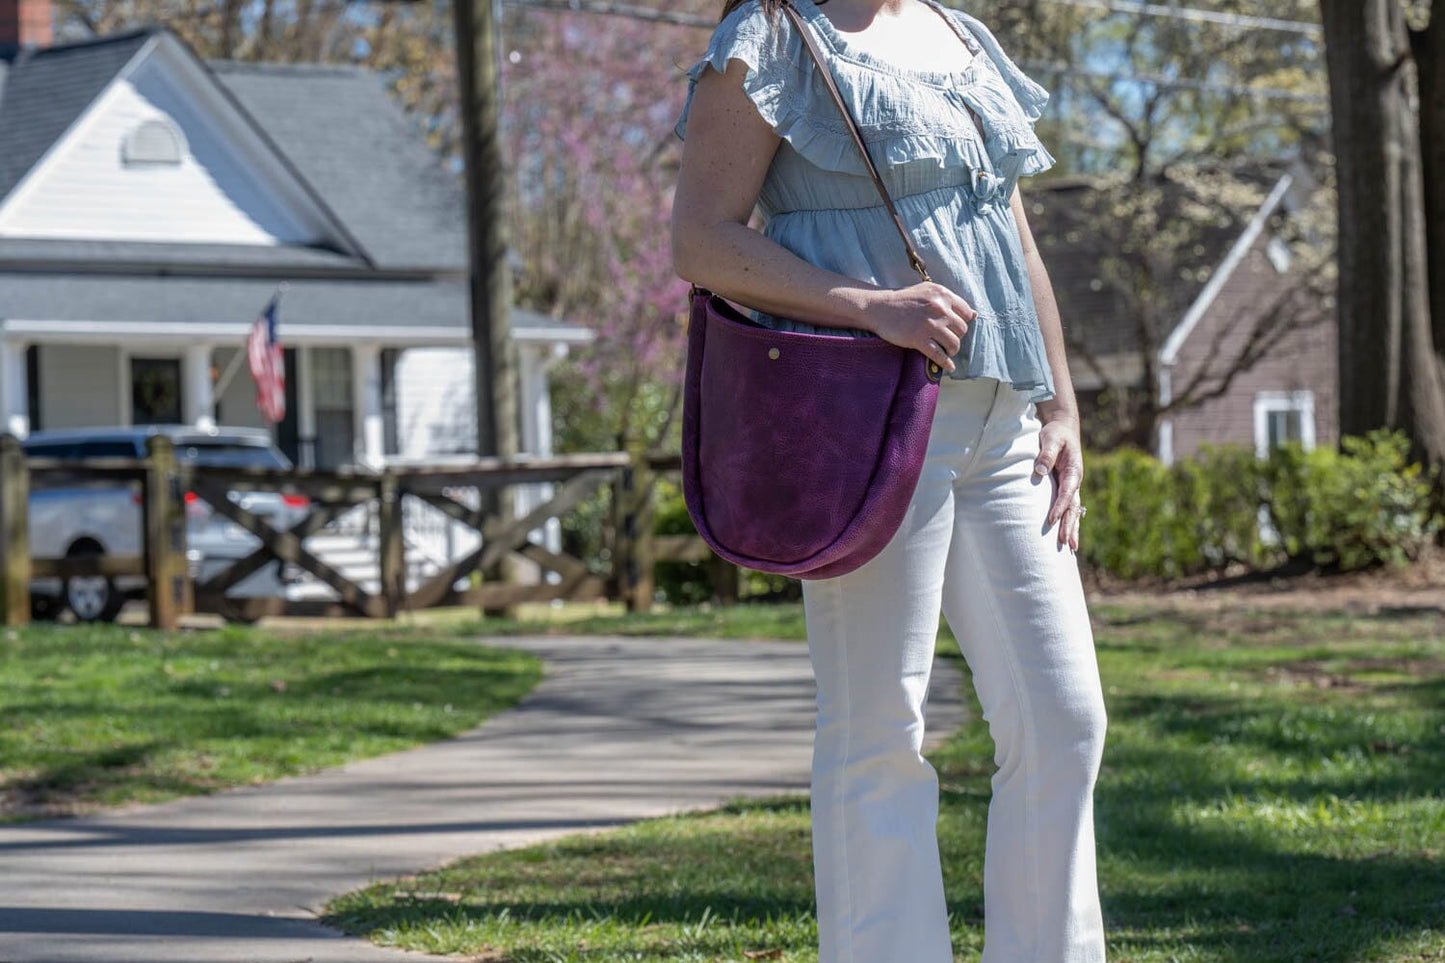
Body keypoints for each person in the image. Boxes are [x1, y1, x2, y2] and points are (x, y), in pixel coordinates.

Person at [670, 0, 1108, 960]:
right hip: (864, 423)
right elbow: (701, 240)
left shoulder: (958, 35)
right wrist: (869, 305)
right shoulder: (771, 37)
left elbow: (1015, 240)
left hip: (1006, 420)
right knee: (877, 726)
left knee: (1065, 720)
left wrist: (1062, 403)